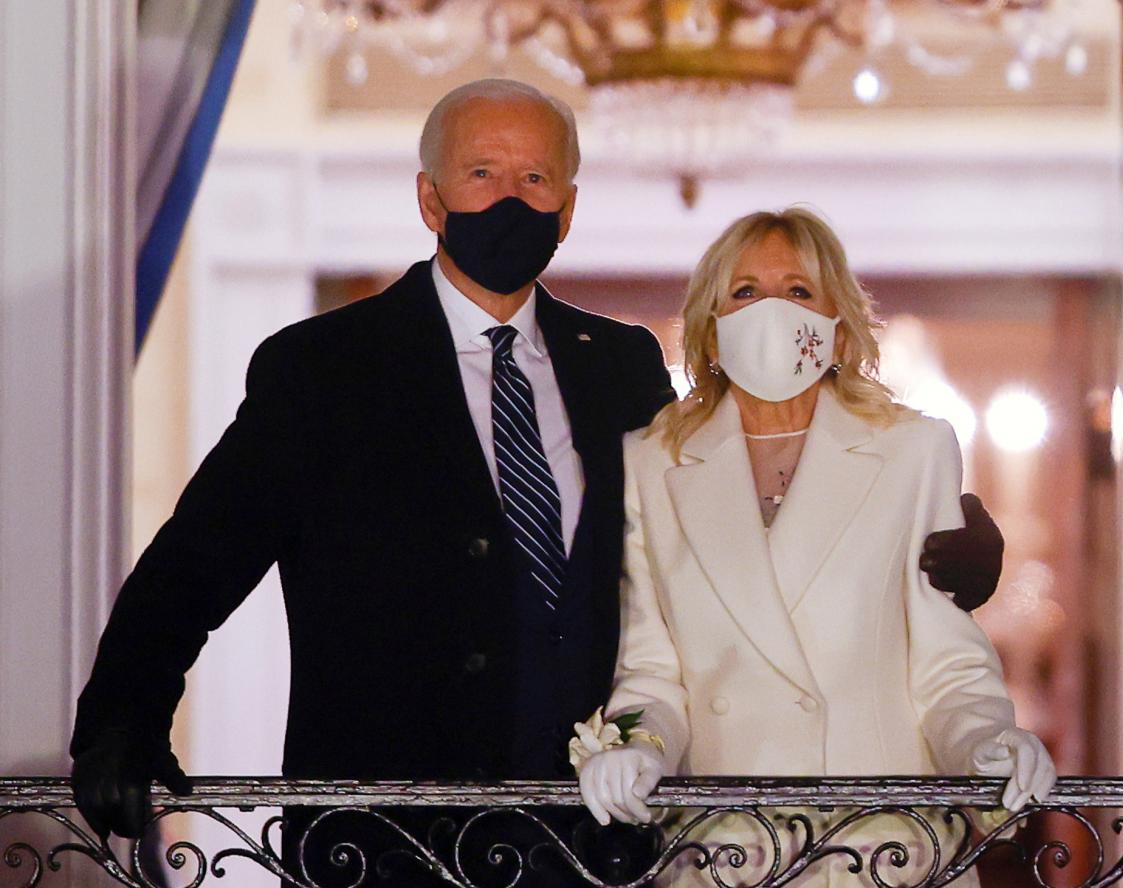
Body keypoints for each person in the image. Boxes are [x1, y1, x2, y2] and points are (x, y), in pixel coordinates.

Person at [69, 80, 1005, 884]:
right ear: (431, 200)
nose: (510, 199)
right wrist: (123, 711)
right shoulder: (324, 369)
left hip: (594, 844)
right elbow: (197, 559)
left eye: (536, 178)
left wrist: (952, 544)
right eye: (483, 174)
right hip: (388, 844)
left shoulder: (623, 365)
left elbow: (732, 537)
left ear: (567, 207)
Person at [575, 208, 1055, 886]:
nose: (772, 312)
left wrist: (986, 744)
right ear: (710, 329)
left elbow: (947, 667)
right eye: (745, 292)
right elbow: (654, 673)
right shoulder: (654, 463)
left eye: (798, 291)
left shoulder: (911, 451)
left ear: (837, 325)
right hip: (730, 853)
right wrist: (638, 748)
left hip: (880, 852)